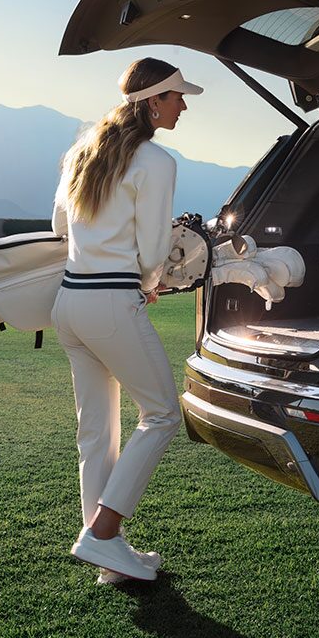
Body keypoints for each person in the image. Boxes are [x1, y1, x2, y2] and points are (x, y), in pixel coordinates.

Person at [51, 57, 201, 584]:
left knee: (97, 434)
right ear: (153, 101)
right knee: (161, 414)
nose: (183, 104)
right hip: (111, 303)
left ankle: (108, 561)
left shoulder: (82, 151)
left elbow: (59, 226)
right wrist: (146, 281)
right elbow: (155, 250)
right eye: (177, 96)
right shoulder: (156, 161)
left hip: (70, 303)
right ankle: (103, 535)